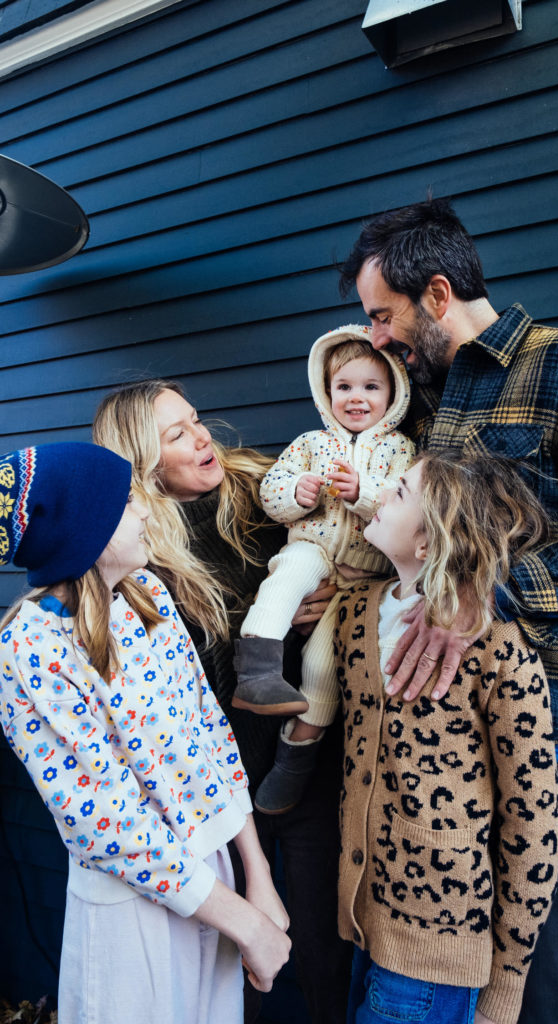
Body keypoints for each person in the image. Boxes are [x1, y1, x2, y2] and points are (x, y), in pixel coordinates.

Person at [338, 197, 558, 1024]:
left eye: (381, 316)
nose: (374, 339)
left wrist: (487, 593)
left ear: (436, 294)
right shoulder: (417, 401)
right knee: (441, 983)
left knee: (545, 989)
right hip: (439, 752)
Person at [0, 442, 290, 1024]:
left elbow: (209, 734)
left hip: (215, 876)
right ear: (85, 529)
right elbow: (103, 823)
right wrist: (245, 924)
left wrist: (257, 875)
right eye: (126, 501)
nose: (144, 509)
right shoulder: (31, 649)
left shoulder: (147, 596)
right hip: (135, 904)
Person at [92, 381, 352, 1024]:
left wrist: (330, 593)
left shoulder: (264, 492)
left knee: (325, 944)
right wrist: (263, 628)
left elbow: (346, 543)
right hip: (214, 782)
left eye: (196, 420)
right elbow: (174, 680)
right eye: (176, 434)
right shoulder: (134, 548)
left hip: (304, 754)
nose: (202, 436)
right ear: (140, 460)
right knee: (235, 956)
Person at [336, 451, 558, 1024]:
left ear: (427, 544)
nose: (381, 493)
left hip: (440, 953)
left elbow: (533, 820)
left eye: (400, 492)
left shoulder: (498, 646)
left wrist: (507, 987)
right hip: (363, 926)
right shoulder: (355, 614)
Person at [236, 325, 415, 814]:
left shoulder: (401, 450)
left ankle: (295, 758)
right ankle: (256, 670)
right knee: (286, 579)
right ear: (325, 391)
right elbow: (272, 493)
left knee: (323, 665)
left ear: (393, 393)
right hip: (312, 548)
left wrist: (364, 493)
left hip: (362, 578)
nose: (356, 398)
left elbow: (407, 511)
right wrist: (297, 493)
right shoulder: (310, 443)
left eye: (371, 387)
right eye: (344, 386)